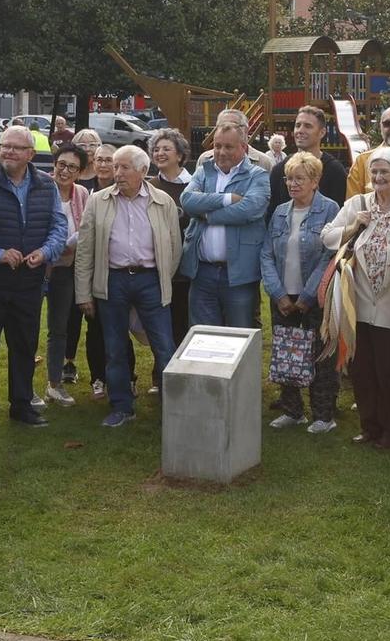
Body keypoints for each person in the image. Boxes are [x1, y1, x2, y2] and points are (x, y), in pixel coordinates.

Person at [0, 124, 68, 435]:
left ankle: (21, 406)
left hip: (28, 284)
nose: (8, 151)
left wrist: (45, 252)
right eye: (4, 145)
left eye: (16, 147)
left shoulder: (46, 186)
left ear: (31, 154)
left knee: (23, 346)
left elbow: (59, 228)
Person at [75, 145, 182, 427]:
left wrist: (161, 279)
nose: (117, 173)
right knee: (114, 347)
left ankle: (175, 407)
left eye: (124, 167)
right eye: (115, 166)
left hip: (150, 280)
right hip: (113, 281)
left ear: (143, 171)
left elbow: (174, 247)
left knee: (164, 345)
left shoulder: (162, 201)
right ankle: (122, 406)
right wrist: (84, 293)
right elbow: (85, 250)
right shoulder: (98, 201)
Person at [321, 146, 390, 448]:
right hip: (357, 302)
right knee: (361, 369)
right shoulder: (358, 203)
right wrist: (354, 224)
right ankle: (369, 426)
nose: (377, 177)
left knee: (388, 370)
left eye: (384, 171)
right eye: (374, 172)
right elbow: (327, 237)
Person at [260, 152, 343, 432]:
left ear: (315, 181)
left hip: (316, 298)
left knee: (321, 356)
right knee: (286, 352)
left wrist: (308, 296)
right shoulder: (281, 212)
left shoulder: (330, 209)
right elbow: (267, 254)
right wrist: (278, 293)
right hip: (283, 296)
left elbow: (329, 255)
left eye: (299, 179)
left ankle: (324, 416)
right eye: (289, 179)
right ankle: (292, 411)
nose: (292, 184)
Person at [179, 123, 269, 329]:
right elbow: (187, 201)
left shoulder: (258, 175)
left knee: (239, 338)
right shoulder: (203, 171)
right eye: (217, 146)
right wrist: (228, 198)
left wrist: (206, 215)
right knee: (203, 339)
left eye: (228, 147)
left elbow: (249, 209)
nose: (221, 152)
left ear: (243, 148)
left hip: (238, 275)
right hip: (202, 272)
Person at [43, 144, 100, 403]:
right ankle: (23, 389)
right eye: (61, 164)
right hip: (37, 266)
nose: (65, 171)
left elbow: (86, 229)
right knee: (25, 327)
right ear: (54, 165)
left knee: (59, 327)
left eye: (72, 167)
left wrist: (67, 245)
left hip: (65, 269)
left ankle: (54, 383)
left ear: (80, 172)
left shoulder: (82, 195)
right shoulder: (41, 189)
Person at [148, 128, 194, 346]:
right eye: (156, 149)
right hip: (159, 268)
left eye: (166, 148)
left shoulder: (194, 185)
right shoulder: (149, 187)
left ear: (180, 154)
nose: (160, 153)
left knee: (185, 324)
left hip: (189, 268)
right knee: (162, 328)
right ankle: (161, 376)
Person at [268, 106, 349, 208]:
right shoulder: (279, 170)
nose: (300, 130)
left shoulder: (335, 171)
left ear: (322, 132)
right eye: (297, 125)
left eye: (308, 126)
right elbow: (271, 212)